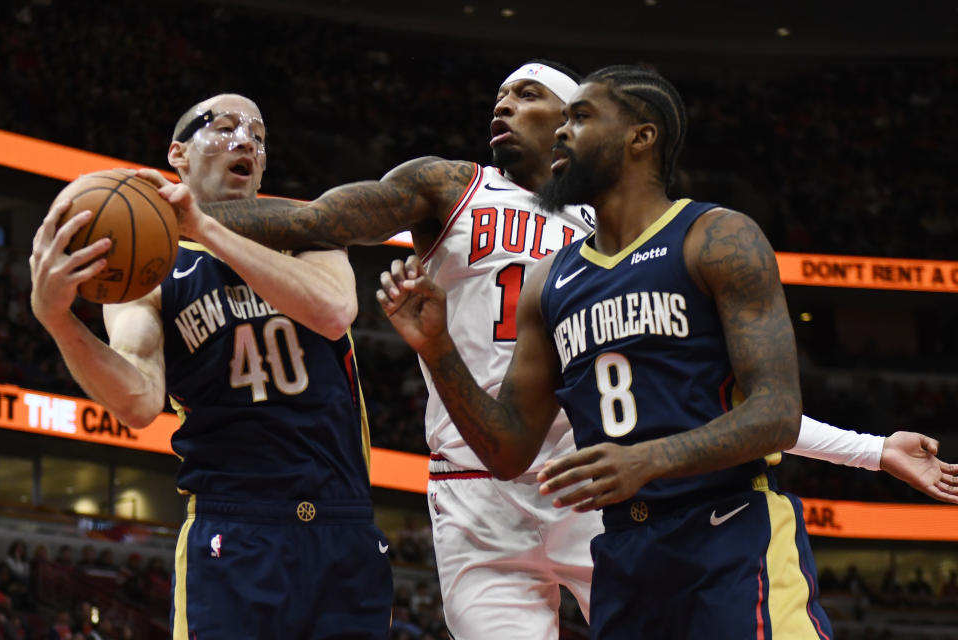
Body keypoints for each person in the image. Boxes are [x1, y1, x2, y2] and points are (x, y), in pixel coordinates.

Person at [154, 61, 958, 639]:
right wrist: (175, 216)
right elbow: (316, 222)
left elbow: (732, 396)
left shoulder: (641, 240)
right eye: (500, 93)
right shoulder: (450, 187)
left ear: (590, 124)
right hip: (482, 486)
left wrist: (868, 448)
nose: (504, 104)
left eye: (531, 95)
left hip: (606, 491)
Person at [29, 93, 392, 639]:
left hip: (342, 522)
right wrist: (57, 319)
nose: (245, 140)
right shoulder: (148, 273)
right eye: (222, 128)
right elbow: (137, 401)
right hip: (233, 526)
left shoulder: (306, 227)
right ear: (177, 154)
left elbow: (333, 311)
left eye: (258, 136)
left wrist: (204, 226)